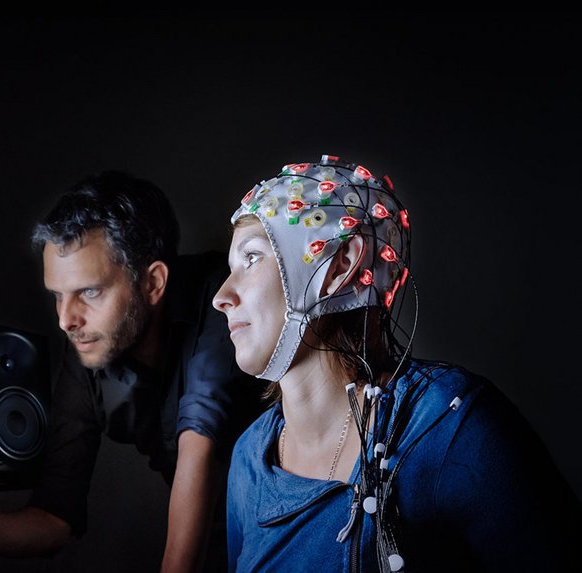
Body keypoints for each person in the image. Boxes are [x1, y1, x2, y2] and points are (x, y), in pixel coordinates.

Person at [212, 155, 582, 572]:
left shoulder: (447, 425)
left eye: (252, 258)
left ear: (339, 266)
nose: (221, 296)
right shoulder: (248, 460)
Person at [0, 171, 265, 572]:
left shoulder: (218, 296)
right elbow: (54, 520)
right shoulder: (89, 350)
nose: (66, 320)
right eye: (57, 296)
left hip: (295, 534)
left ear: (153, 283)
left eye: (89, 292)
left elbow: (198, 440)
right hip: (216, 552)